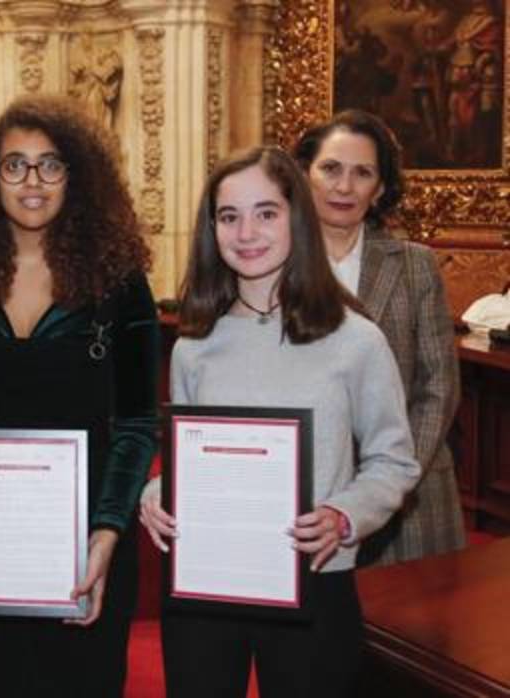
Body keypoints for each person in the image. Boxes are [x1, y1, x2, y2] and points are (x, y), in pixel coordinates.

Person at [0, 95, 159, 697]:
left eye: (50, 164)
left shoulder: (119, 282)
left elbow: (137, 422)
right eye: (14, 165)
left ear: (78, 175)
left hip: (83, 543)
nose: (32, 181)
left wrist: (107, 532)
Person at [139, 146, 421, 697]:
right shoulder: (194, 346)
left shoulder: (355, 340)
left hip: (315, 576)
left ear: (298, 219)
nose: (246, 232)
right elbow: (187, 461)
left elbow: (394, 460)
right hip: (207, 582)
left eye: (266, 213)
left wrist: (344, 514)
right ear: (211, 229)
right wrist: (157, 490)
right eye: (228, 216)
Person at [293, 109, 464, 566]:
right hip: (306, 498)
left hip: (411, 498)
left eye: (362, 173)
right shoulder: (272, 265)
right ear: (304, 174)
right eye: (330, 169)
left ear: (381, 188)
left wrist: (390, 480)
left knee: (412, 632)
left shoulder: (414, 265)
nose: (344, 187)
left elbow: (439, 389)